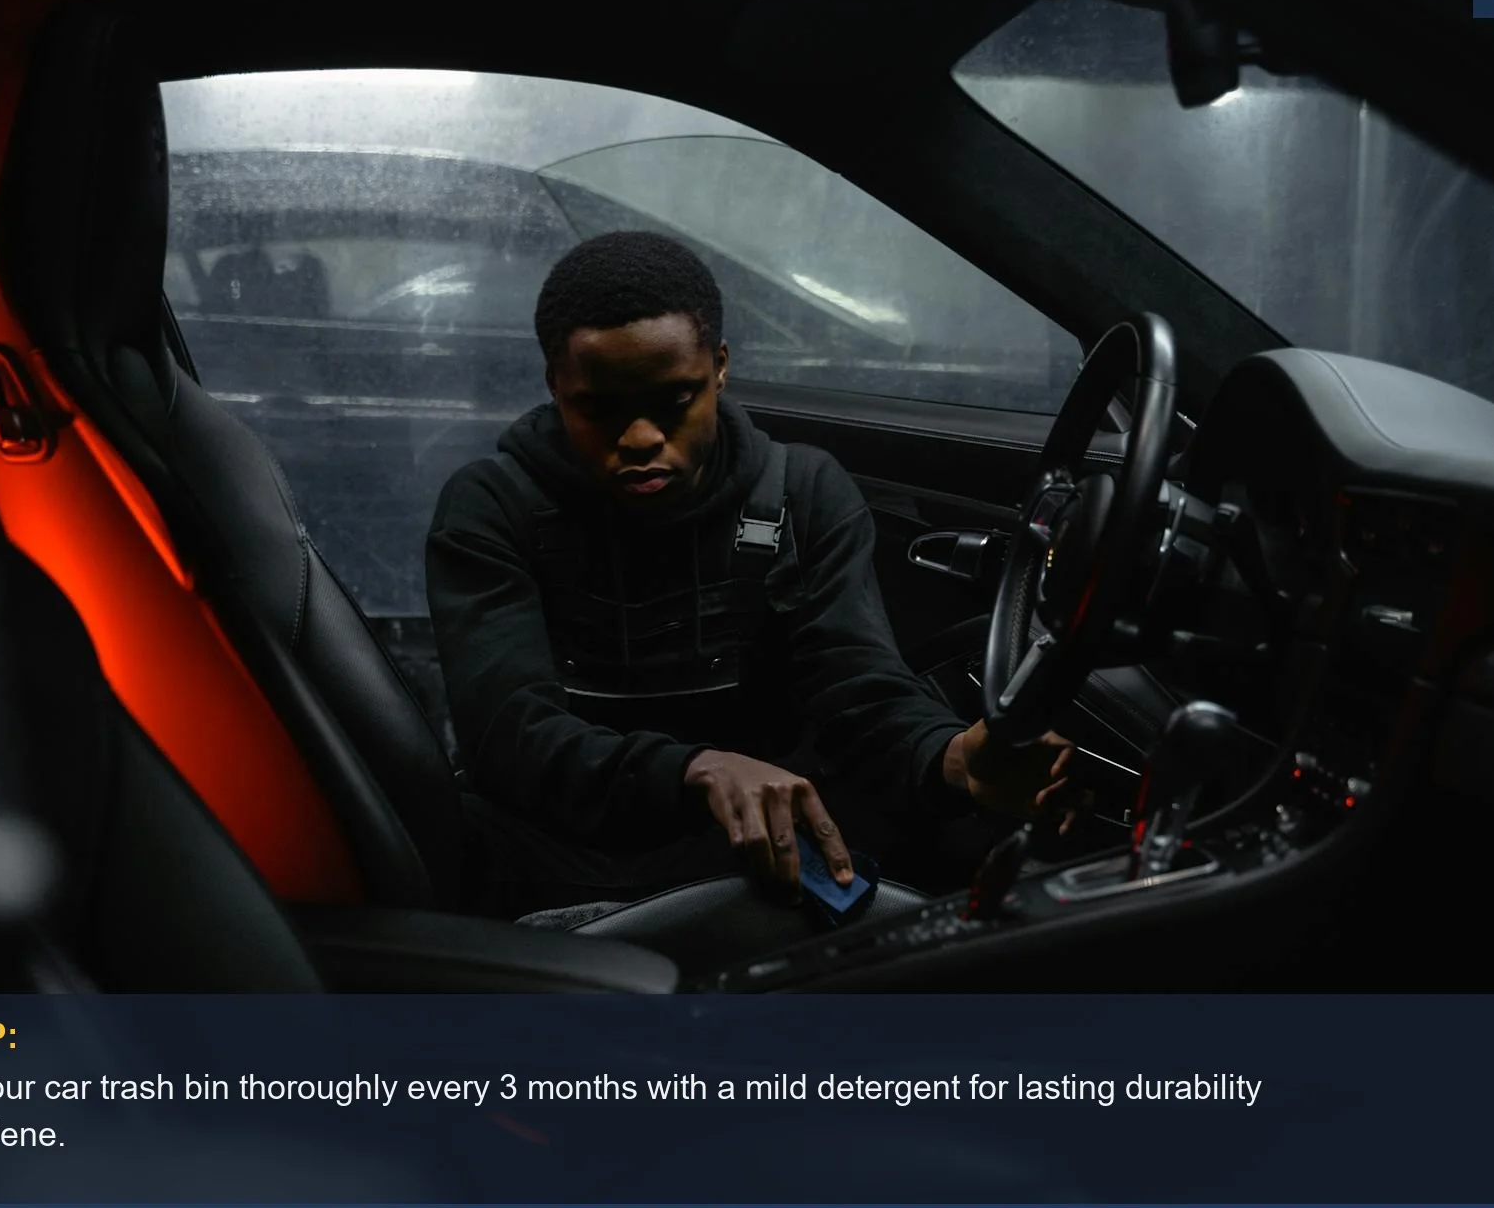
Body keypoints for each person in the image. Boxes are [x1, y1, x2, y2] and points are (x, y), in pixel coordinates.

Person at [427, 231, 1070, 919]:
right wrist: (695, 770)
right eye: (599, 408)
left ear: (721, 368)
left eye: (674, 400)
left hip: (757, 853)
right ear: (555, 383)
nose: (640, 437)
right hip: (551, 858)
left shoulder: (800, 494)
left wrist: (950, 756)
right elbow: (511, 736)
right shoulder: (493, 507)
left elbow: (859, 689)